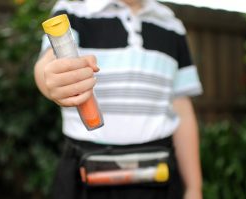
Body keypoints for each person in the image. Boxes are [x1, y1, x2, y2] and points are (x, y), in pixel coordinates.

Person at [34, 0, 203, 198]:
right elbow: (48, 63)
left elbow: (181, 108)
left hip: (159, 177)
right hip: (85, 175)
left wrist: (194, 188)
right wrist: (52, 79)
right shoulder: (73, 10)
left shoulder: (171, 24)